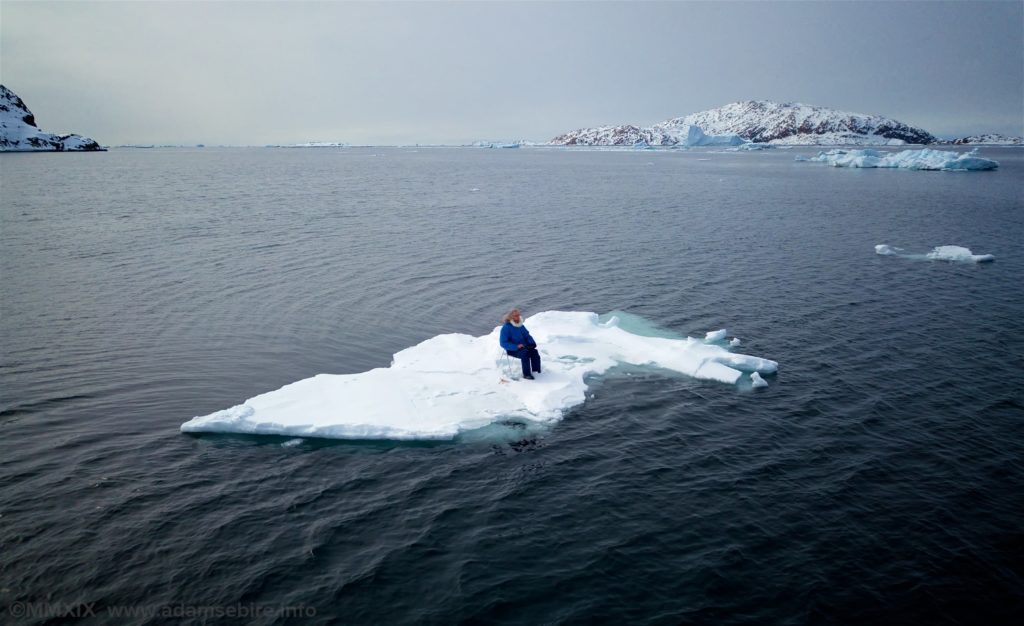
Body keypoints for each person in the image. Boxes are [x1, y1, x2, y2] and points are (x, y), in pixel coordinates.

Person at [499, 308, 541, 380]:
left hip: (524, 346)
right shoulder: (506, 328)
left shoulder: (520, 325)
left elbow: (527, 335)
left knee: (534, 352)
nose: (518, 317)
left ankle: (536, 370)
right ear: (510, 317)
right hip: (513, 349)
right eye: (516, 316)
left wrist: (532, 343)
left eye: (518, 315)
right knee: (525, 354)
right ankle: (527, 375)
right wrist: (516, 346)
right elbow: (503, 343)